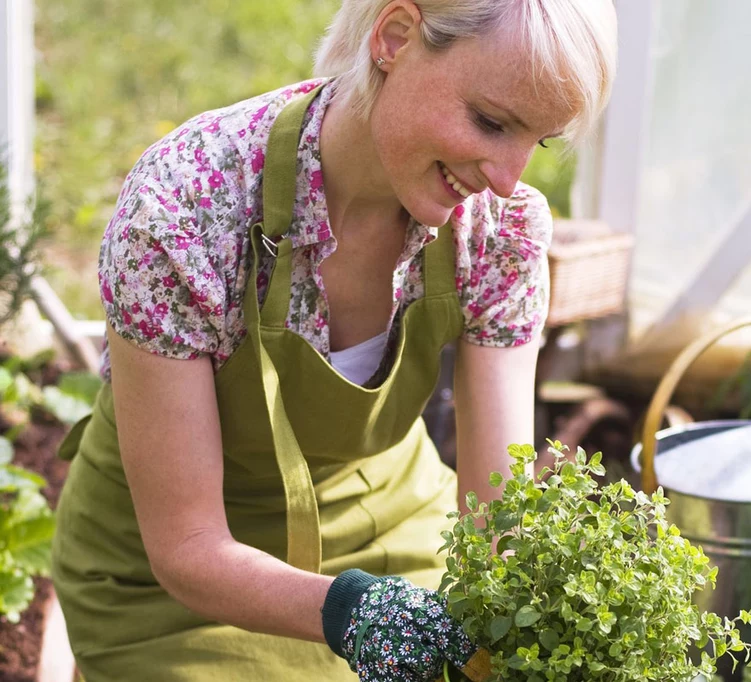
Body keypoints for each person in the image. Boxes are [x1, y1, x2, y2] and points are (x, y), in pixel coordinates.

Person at [50, 0, 617, 680]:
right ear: (395, 38)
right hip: (171, 586)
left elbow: (496, 522)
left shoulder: (499, 229)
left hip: (388, 527)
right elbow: (188, 548)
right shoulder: (184, 210)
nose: (506, 176)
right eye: (491, 122)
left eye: (539, 140)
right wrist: (348, 610)